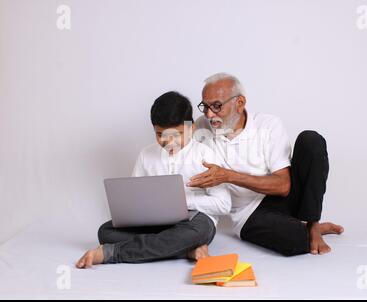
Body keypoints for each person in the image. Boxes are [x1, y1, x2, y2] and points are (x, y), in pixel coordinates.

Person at [188, 73, 344, 256]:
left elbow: (284, 186)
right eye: (204, 106)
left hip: (285, 197)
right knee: (298, 243)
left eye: (216, 106)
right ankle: (301, 229)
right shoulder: (200, 127)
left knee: (311, 140)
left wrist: (228, 175)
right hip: (248, 214)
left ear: (239, 103)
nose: (209, 114)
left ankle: (313, 225)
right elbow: (172, 139)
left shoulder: (268, 124)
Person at [76, 91, 231, 268]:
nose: (169, 142)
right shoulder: (146, 155)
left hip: (193, 222)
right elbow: (135, 198)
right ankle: (184, 249)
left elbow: (223, 205)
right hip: (156, 224)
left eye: (177, 134)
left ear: (191, 127)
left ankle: (113, 252)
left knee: (198, 231)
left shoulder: (206, 155)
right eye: (160, 135)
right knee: (106, 232)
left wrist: (180, 202)